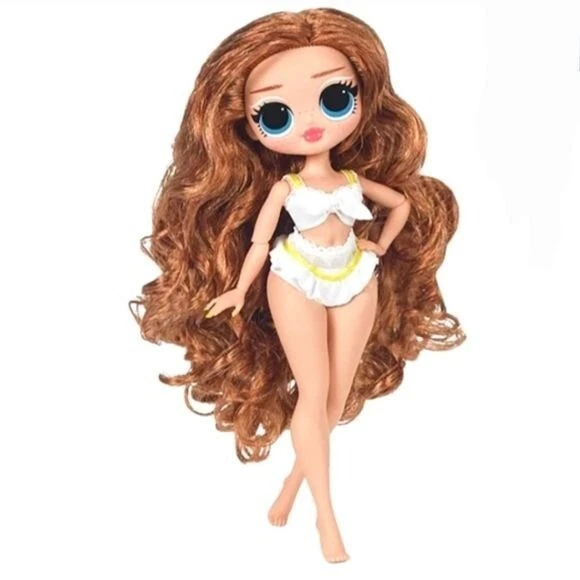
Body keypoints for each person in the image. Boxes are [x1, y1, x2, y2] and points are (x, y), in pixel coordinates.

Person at [129, 7, 466, 563]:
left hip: (355, 275)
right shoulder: (285, 187)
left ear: (363, 97)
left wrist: (380, 246)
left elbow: (402, 205)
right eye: (277, 113)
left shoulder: (354, 179)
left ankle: (291, 485)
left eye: (335, 98)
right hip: (296, 275)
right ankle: (325, 517)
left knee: (335, 395)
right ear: (248, 124)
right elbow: (260, 243)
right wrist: (239, 290)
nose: (310, 123)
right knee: (314, 392)